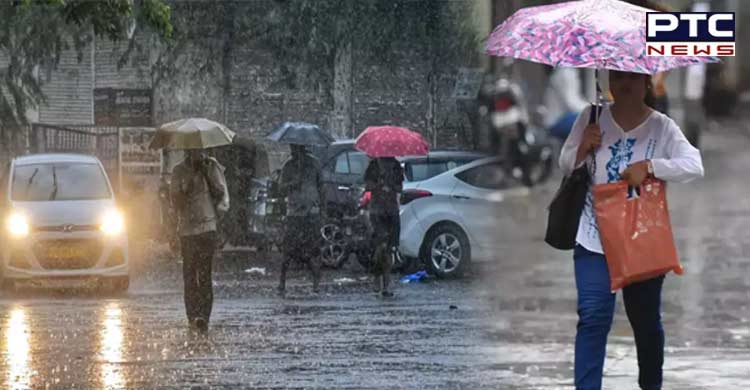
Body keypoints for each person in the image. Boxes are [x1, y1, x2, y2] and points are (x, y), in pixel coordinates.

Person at [558, 70, 704, 390]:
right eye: (619, 77)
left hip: (640, 240)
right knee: (593, 318)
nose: (625, 84)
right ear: (608, 82)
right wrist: (582, 147)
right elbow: (565, 163)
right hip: (593, 236)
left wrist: (650, 167)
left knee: (646, 324)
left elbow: (694, 164)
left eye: (634, 78)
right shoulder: (591, 116)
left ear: (646, 83)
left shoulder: (661, 126)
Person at [170, 149, 229, 333]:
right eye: (193, 150)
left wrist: (206, 175)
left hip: (207, 227)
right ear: (188, 151)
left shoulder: (212, 166)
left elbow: (221, 193)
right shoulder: (179, 170)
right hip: (187, 230)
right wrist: (185, 188)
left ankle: (204, 317)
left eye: (199, 149)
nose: (196, 153)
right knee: (189, 275)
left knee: (204, 274)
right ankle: (192, 316)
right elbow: (175, 202)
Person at [277, 144, 324, 296]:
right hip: (294, 213)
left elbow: (322, 187)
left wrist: (323, 211)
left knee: (313, 249)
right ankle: (282, 283)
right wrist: (292, 183)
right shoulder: (288, 165)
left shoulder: (315, 163)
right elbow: (281, 188)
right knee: (288, 249)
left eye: (295, 148)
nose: (293, 151)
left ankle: (316, 285)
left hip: (312, 212)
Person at [364, 157, 404, 298]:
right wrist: (379, 184)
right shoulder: (374, 165)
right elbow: (367, 186)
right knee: (380, 247)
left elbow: (400, 187)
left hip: (391, 212)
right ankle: (376, 275)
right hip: (377, 212)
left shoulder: (396, 166)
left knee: (388, 250)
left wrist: (391, 185)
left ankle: (386, 285)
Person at [543, 67, 590, 140]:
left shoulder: (562, 72)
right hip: (558, 121)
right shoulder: (566, 72)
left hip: (555, 121)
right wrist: (593, 108)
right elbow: (571, 102)